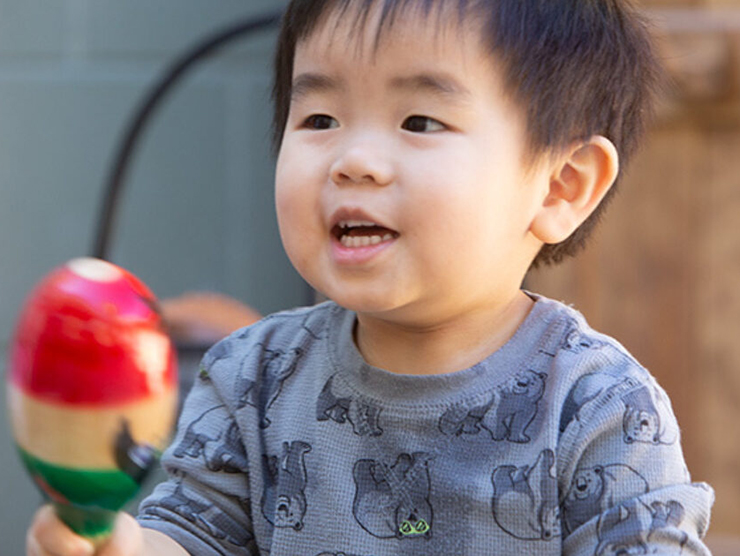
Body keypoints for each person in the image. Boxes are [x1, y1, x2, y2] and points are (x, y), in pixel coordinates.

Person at [27, 0, 715, 554]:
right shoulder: (250, 378)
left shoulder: (601, 408)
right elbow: (194, 535)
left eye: (420, 121)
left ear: (561, 186)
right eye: (320, 118)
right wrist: (123, 545)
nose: (353, 160)